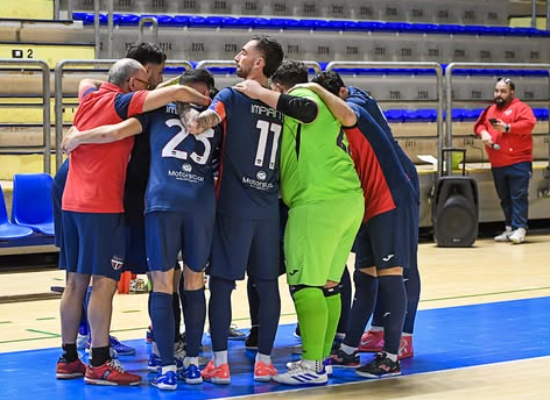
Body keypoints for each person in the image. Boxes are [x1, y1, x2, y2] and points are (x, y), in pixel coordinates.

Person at [56, 58, 210, 386]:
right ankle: (99, 363)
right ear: (132, 84)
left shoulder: (89, 98)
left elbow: (86, 86)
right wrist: (213, 102)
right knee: (104, 284)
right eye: (145, 82)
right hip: (101, 204)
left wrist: (78, 135)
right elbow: (178, 93)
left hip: (71, 201)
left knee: (75, 283)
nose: (150, 87)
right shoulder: (124, 103)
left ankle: (68, 359)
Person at [187, 36, 317, 384]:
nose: (236, 57)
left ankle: (219, 363)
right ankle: (265, 363)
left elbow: (202, 124)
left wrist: (185, 108)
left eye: (243, 53)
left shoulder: (231, 96)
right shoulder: (280, 103)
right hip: (269, 207)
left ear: (258, 63)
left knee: (222, 284)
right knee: (267, 285)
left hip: (233, 205)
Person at [235, 60, 364, 386]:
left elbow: (304, 108)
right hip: (347, 200)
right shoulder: (322, 102)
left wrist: (258, 92)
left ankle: (311, 365)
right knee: (329, 285)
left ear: (279, 88)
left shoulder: (304, 97)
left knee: (305, 286)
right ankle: (321, 361)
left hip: (317, 204)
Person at [311, 72, 417, 378]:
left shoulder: (354, 109)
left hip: (390, 199)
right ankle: (348, 351)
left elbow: (345, 111)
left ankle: (391, 357)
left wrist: (311, 87)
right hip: (368, 204)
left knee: (391, 274)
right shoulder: (333, 125)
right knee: (365, 276)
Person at [474, 77, 536, 244]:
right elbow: (479, 125)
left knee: (518, 196)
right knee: (505, 198)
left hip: (518, 161)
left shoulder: (521, 108)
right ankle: (509, 228)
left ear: (511, 92)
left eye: (503, 91)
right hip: (498, 162)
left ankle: (520, 228)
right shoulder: (490, 110)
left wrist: (508, 127)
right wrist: (483, 133)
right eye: (496, 91)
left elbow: (529, 124)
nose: (498, 94)